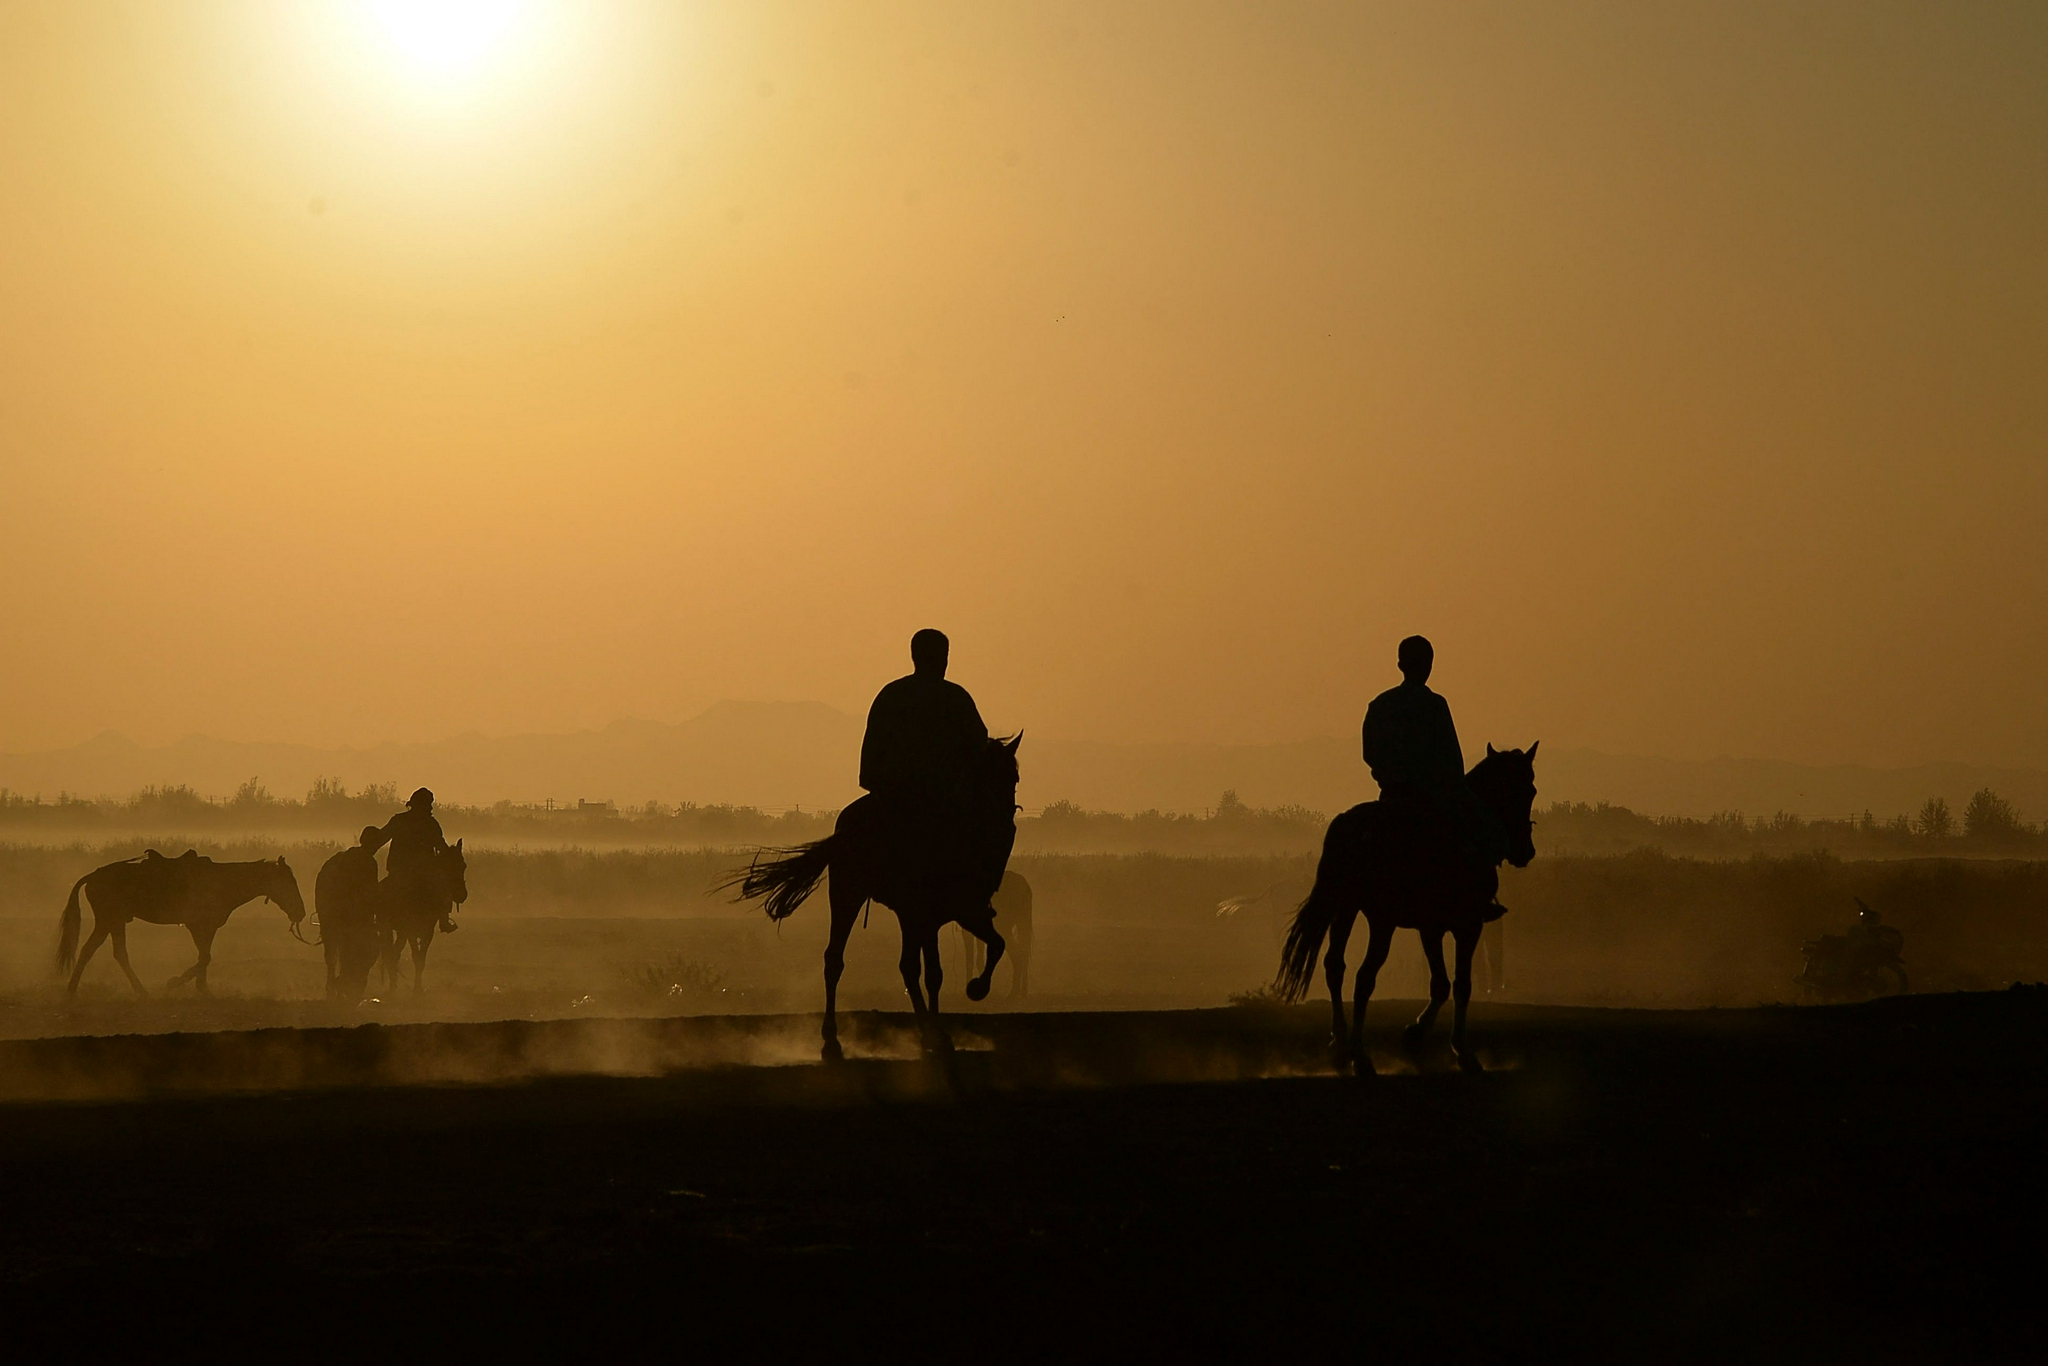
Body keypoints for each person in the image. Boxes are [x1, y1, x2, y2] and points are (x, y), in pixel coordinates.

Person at [1362, 635, 1506, 871]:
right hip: (1433, 798)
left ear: (1400, 665)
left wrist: (1390, 778)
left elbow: (1370, 754)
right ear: (1430, 665)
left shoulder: (1380, 705)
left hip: (1392, 795)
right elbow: (1451, 758)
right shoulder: (1435, 705)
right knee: (1487, 832)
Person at [859, 629, 989, 815]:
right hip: (946, 801)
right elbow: (979, 747)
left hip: (891, 799)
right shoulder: (956, 698)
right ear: (944, 657)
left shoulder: (891, 695)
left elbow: (871, 756)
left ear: (914, 656)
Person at [370, 787, 458, 933]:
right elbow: (441, 847)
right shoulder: (431, 824)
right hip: (422, 875)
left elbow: (380, 840)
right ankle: (444, 920)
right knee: (442, 890)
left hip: (399, 873)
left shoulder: (399, 820)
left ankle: (375, 920)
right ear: (422, 805)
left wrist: (366, 847)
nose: (430, 808)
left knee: (379, 894)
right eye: (428, 804)